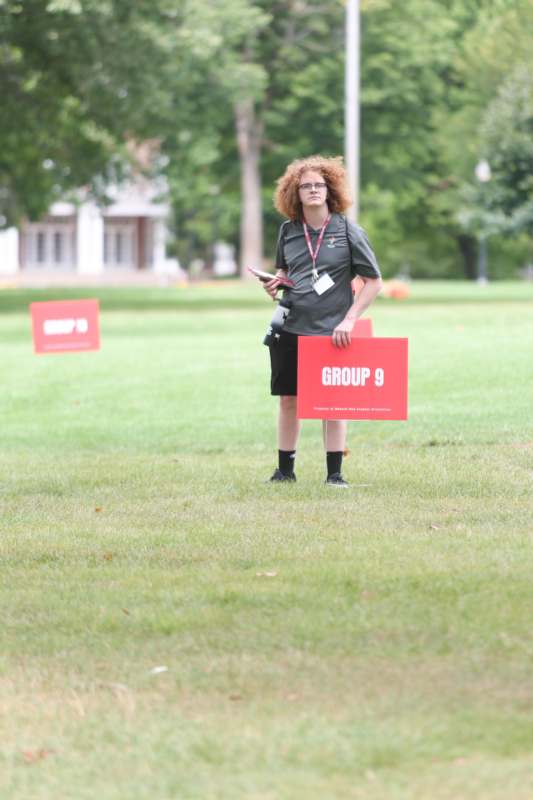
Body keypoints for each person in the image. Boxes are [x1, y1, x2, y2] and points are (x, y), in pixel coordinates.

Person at [264, 155, 382, 487]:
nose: (313, 190)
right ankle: (284, 471)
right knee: (289, 400)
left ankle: (335, 474)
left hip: (333, 332)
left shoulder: (347, 230)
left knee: (333, 402)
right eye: (306, 186)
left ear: (329, 189)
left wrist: (349, 320)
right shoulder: (288, 230)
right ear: (295, 192)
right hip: (289, 326)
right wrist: (274, 284)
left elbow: (373, 282)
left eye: (319, 185)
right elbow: (284, 272)